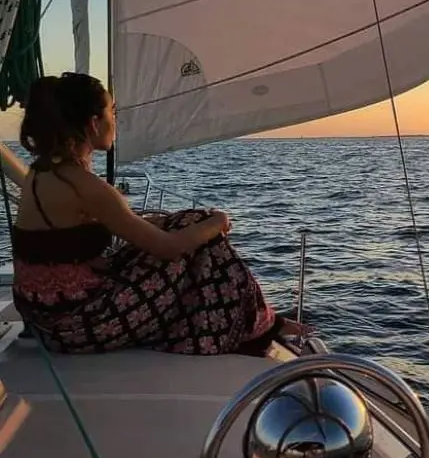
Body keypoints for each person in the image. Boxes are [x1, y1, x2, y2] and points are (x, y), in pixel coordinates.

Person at [9, 72, 310, 355]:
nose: (117, 120)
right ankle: (256, 327)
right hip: (76, 325)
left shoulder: (44, 173)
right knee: (206, 240)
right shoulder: (84, 186)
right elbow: (168, 248)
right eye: (112, 111)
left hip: (43, 318)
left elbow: (100, 229)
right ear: (93, 124)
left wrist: (180, 222)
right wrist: (217, 222)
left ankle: (254, 321)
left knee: (190, 224)